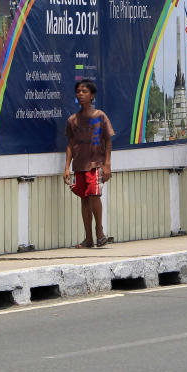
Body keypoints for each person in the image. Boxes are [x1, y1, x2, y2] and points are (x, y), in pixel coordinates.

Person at [64, 79, 114, 248]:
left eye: (84, 91)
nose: (80, 94)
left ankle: (99, 231)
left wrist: (107, 164)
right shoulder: (72, 120)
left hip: (96, 164)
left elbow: (108, 140)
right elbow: (70, 144)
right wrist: (66, 168)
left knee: (94, 195)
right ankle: (88, 238)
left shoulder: (100, 116)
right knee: (84, 199)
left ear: (92, 95)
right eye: (78, 91)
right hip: (79, 165)